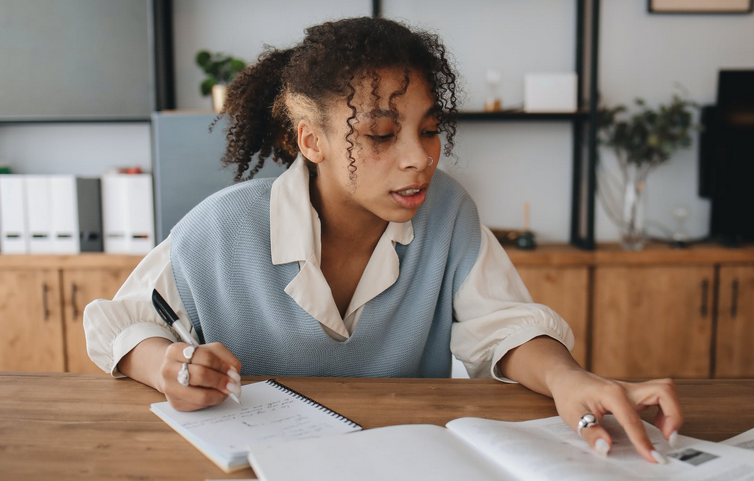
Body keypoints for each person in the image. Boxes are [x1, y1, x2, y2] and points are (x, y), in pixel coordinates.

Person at [84, 16, 682, 464]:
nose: (419, 158)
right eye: (380, 134)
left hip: (403, 463)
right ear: (311, 141)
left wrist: (568, 380)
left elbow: (505, 324)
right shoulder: (221, 227)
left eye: (428, 130)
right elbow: (118, 322)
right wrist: (166, 364)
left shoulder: (447, 211)